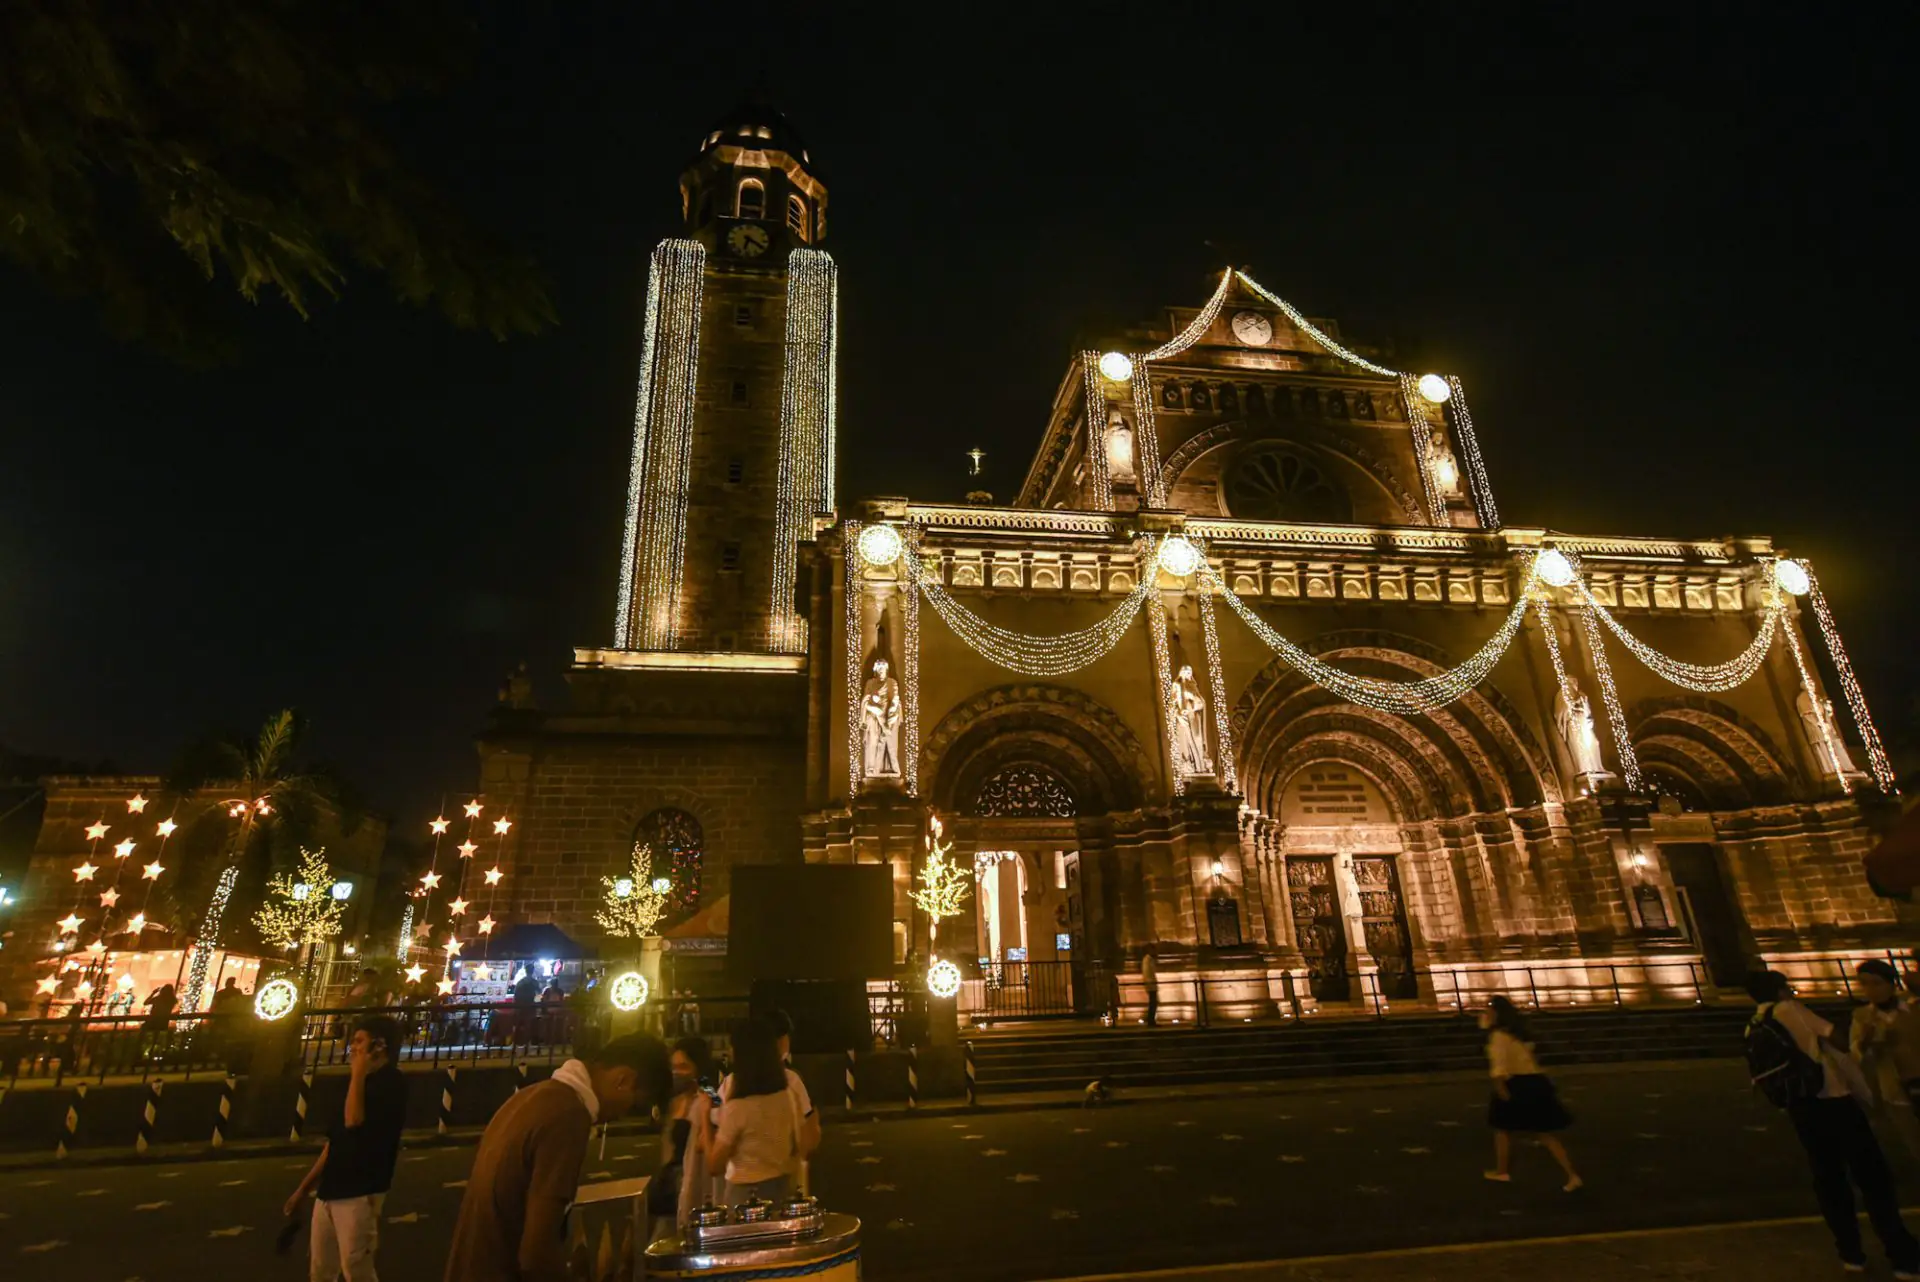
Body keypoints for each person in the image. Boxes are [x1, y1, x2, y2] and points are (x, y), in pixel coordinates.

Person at [443, 1033, 670, 1282]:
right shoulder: (569, 1116)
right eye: (634, 1104)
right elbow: (537, 1252)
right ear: (623, 1079)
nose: (623, 1115)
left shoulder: (531, 1095)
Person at [1745, 969, 1920, 1277]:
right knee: (1873, 1176)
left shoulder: (1754, 1024)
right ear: (1781, 990)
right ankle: (1901, 1254)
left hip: (1800, 1106)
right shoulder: (1790, 1010)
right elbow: (1836, 1039)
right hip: (1834, 1100)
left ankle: (1850, 1252)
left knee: (1828, 1178)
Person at [284, 1016, 410, 1282]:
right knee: (320, 1269)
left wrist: (358, 1073)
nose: (352, 1046)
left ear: (379, 1045)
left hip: (361, 1193)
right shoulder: (356, 1084)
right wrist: (303, 1189)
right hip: (329, 1192)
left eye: (359, 1041)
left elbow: (353, 1121)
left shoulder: (391, 1082)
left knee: (357, 1270)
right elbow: (334, 1143)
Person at [709, 1017, 816, 1206]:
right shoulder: (788, 1096)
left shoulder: (737, 1107)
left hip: (744, 1197)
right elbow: (801, 1144)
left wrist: (704, 1117)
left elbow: (714, 1165)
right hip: (783, 1190)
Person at [1480, 996, 1581, 1191]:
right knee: (1540, 1132)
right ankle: (1571, 1174)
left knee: (1503, 1128)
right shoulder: (1518, 1034)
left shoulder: (1499, 1036)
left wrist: (1501, 1090)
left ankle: (1502, 1171)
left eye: (1489, 1009)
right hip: (1535, 1082)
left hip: (1515, 1084)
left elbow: (1499, 1067)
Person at [648, 1037, 718, 1237]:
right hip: (670, 1186)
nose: (677, 1073)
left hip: (696, 1183)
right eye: (674, 1067)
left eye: (684, 1067)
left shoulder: (710, 1097)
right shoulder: (674, 1100)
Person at [1140, 950, 1159, 1028]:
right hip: (1151, 984)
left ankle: (1151, 1020)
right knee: (1153, 1003)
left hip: (1151, 984)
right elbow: (1148, 973)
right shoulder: (1148, 960)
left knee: (1153, 1002)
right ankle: (1151, 1020)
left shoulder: (1148, 959)